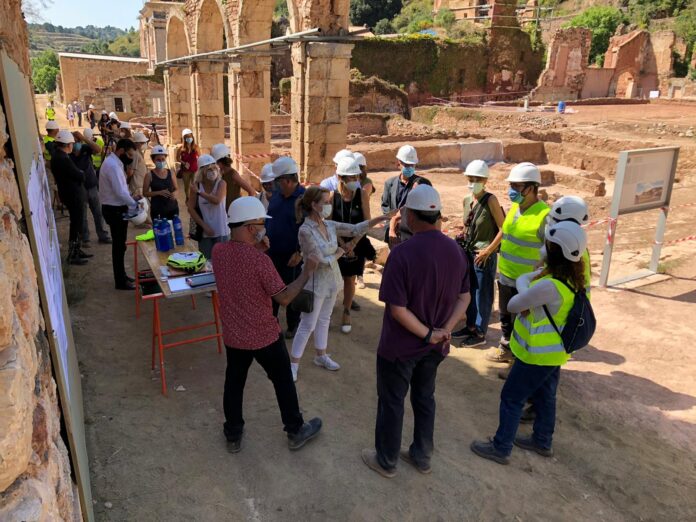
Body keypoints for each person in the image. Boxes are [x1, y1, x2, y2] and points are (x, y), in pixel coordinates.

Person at [362, 185, 471, 478]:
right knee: (425, 398)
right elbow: (465, 297)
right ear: (438, 216)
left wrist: (427, 333)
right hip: (435, 348)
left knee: (392, 402)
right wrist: (443, 331)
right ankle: (422, 456)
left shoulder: (402, 254)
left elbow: (397, 309)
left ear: (409, 215)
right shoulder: (455, 251)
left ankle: (386, 460)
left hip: (400, 347)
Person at [470, 221, 588, 465]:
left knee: (512, 398)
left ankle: (501, 447)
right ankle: (542, 441)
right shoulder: (572, 279)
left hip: (536, 355)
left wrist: (526, 287)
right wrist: (529, 288)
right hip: (554, 354)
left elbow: (514, 304)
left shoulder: (548, 284)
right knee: (546, 396)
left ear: (554, 251)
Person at [213, 196, 323, 453]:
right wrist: (307, 272)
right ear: (251, 228)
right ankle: (295, 430)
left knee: (234, 382)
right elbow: (284, 298)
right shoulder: (260, 262)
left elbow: (241, 274)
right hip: (264, 335)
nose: (264, 228)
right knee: (283, 380)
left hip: (234, 334)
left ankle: (233, 434)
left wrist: (257, 250)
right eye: (261, 223)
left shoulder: (219, 252)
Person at [290, 186, 393, 382]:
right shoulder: (305, 230)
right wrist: (340, 251)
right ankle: (293, 364)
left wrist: (380, 218)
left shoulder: (328, 225)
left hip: (331, 281)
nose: (329, 205)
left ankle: (321, 355)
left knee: (324, 319)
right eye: (326, 202)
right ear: (314, 205)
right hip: (315, 283)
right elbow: (318, 259)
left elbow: (354, 228)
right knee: (308, 323)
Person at [485, 162, 550, 365]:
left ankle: (519, 360)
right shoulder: (514, 208)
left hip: (527, 283)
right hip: (505, 275)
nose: (511, 190)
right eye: (511, 185)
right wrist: (489, 250)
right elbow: (504, 230)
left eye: (516, 186)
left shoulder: (544, 215)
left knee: (524, 322)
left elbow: (550, 252)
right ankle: (506, 349)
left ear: (530, 188)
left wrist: (538, 277)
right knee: (506, 316)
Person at [451, 160, 505, 348]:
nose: (473, 182)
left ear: (485, 180)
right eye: (470, 179)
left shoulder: (491, 200)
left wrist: (488, 250)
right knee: (469, 292)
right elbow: (467, 225)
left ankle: (480, 331)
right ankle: (470, 326)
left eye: (477, 179)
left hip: (484, 255)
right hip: (468, 253)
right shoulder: (467, 200)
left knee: (483, 294)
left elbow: (502, 229)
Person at [330, 156, 375, 333]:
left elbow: (367, 222)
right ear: (341, 178)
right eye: (351, 178)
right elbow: (329, 224)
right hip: (337, 244)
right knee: (333, 279)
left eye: (357, 177)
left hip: (357, 244)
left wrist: (353, 244)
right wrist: (342, 245)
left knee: (350, 278)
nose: (355, 181)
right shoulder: (333, 197)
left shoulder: (362, 194)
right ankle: (327, 309)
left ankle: (346, 311)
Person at [266, 156, 305, 339]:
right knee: (271, 290)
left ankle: (293, 325)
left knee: (292, 293)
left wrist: (301, 252)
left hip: (292, 257)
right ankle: (271, 323)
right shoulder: (276, 195)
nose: (275, 184)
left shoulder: (304, 200)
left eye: (278, 181)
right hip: (272, 253)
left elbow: (312, 230)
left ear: (288, 180)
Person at [99, 139, 140, 290]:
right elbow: (120, 192)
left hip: (116, 207)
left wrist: (131, 198)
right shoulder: (113, 166)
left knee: (120, 245)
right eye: (129, 154)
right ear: (121, 151)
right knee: (118, 246)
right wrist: (134, 204)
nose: (130, 158)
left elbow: (122, 189)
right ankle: (120, 281)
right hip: (114, 210)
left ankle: (122, 275)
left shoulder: (115, 163)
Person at [51, 130, 91, 265]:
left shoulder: (58, 156)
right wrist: (81, 173)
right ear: (68, 144)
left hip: (69, 193)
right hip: (73, 195)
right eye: (72, 144)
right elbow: (79, 175)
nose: (73, 146)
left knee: (77, 223)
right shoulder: (63, 158)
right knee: (76, 224)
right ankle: (73, 254)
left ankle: (77, 250)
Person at [381, 144, 431, 248]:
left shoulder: (423, 183)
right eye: (406, 164)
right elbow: (386, 208)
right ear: (398, 163)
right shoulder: (389, 184)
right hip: (395, 235)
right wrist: (392, 228)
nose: (409, 167)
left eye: (411, 165)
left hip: (414, 235)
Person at [70, 128, 111, 245]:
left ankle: (102, 235)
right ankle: (85, 238)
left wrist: (84, 139)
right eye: (74, 142)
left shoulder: (84, 148)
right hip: (79, 188)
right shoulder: (68, 155)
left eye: (78, 141)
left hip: (91, 185)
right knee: (82, 214)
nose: (76, 144)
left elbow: (98, 149)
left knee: (98, 212)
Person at [188, 154, 228, 261]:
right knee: (206, 262)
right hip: (205, 231)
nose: (213, 171)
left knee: (223, 261)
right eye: (209, 169)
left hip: (221, 230)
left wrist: (200, 192)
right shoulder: (196, 185)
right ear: (202, 171)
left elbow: (217, 200)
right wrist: (204, 226)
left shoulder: (221, 183)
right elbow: (190, 208)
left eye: (214, 168)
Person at [546, 196, 591, 289]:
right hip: (578, 299)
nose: (551, 221)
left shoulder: (565, 247)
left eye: (554, 218)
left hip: (565, 301)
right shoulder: (577, 243)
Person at [210, 143, 258, 210]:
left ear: (220, 163)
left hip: (233, 212)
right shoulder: (219, 173)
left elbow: (251, 191)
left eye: (215, 163)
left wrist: (248, 209)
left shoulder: (233, 174)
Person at [353, 151, 374, 290]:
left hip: (360, 218)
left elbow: (363, 194)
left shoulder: (367, 182)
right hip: (348, 217)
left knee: (359, 248)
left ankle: (359, 276)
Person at [143, 144, 179, 221]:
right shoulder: (149, 175)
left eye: (163, 159)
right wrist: (159, 192)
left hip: (172, 208)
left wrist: (175, 193)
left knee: (173, 231)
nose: (161, 161)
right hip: (157, 210)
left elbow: (176, 188)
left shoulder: (171, 173)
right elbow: (145, 193)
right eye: (158, 160)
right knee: (160, 232)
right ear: (153, 160)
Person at [176, 128, 199, 202]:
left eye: (190, 137)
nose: (189, 138)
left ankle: (195, 198)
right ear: (184, 138)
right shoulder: (181, 148)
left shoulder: (196, 147)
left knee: (194, 185)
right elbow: (177, 158)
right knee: (187, 186)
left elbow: (200, 157)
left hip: (195, 169)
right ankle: (188, 198)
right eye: (187, 137)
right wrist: (184, 163)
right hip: (185, 170)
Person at [129, 131, 149, 198]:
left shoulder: (139, 153)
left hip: (141, 184)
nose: (143, 144)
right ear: (136, 143)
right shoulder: (135, 154)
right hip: (137, 186)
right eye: (142, 143)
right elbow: (131, 172)